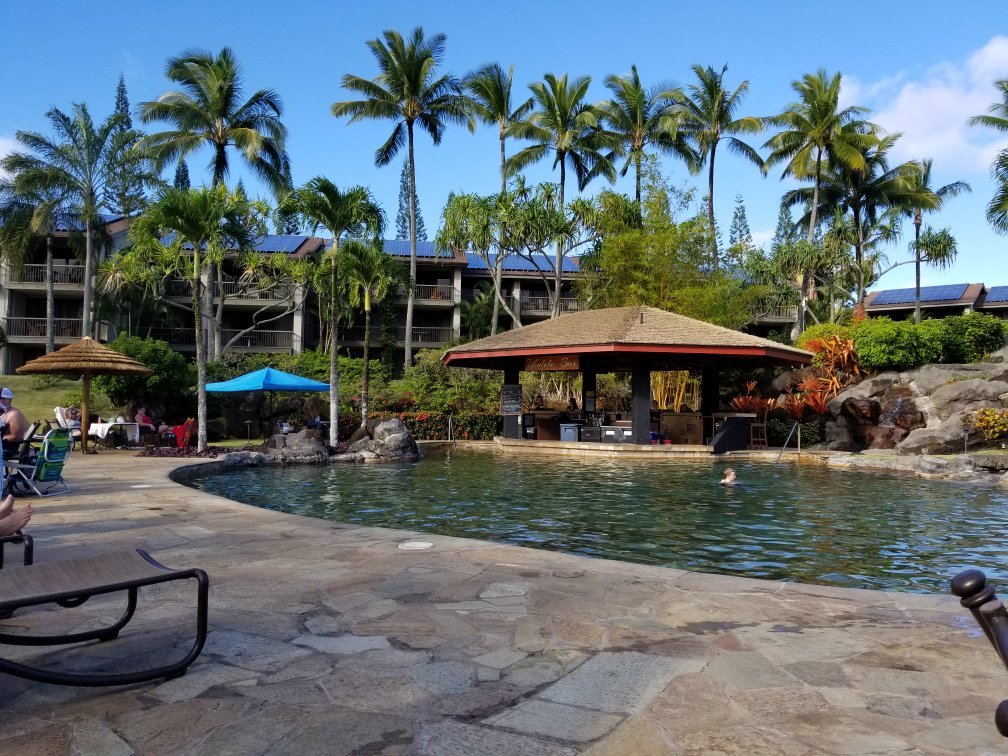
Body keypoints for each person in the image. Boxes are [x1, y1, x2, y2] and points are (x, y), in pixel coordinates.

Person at [0, 387, 28, 460]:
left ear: (7, 400)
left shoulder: (14, 414)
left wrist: (2, 438)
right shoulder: (5, 412)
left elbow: (16, 437)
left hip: (8, 448)